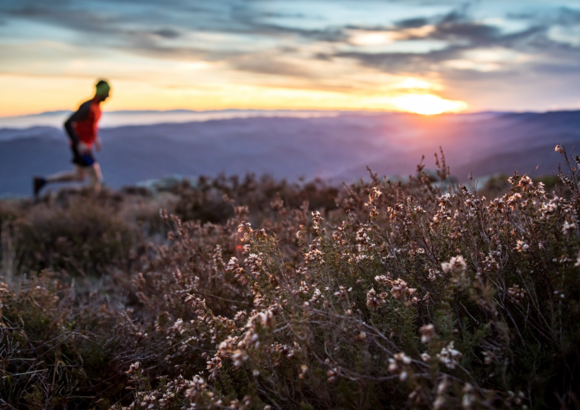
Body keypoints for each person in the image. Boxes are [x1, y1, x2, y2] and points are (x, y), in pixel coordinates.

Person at [33, 80, 111, 197]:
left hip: (83, 145)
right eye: (107, 92)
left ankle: (42, 181)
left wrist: (95, 138)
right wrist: (79, 143)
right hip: (81, 147)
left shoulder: (96, 107)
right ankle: (90, 203)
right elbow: (68, 123)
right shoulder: (87, 107)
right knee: (95, 176)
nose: (109, 95)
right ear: (101, 92)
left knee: (79, 176)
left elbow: (90, 125)